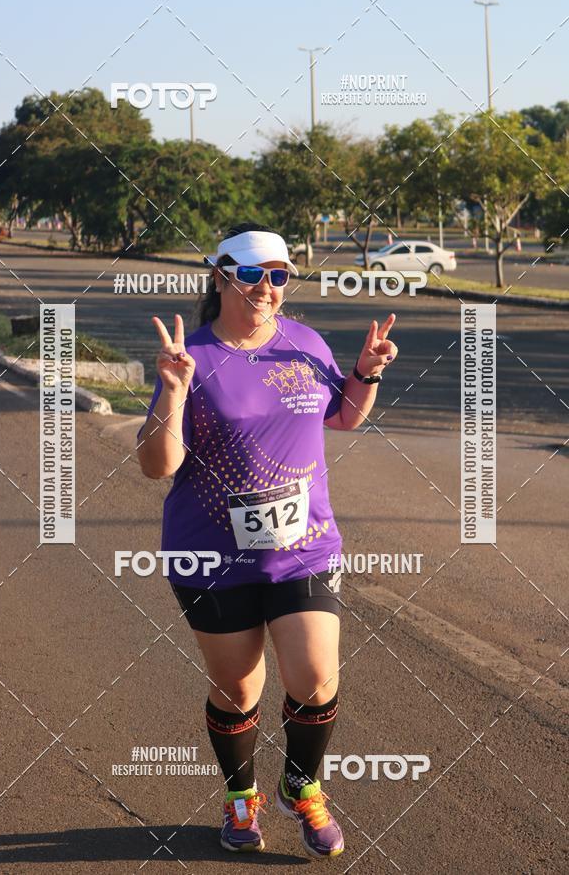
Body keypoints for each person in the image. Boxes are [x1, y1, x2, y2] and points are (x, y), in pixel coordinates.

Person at [137, 223, 398, 858]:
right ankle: (239, 796)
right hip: (212, 556)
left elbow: (341, 416)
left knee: (314, 680)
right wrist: (172, 392)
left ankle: (302, 786)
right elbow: (156, 466)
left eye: (279, 276)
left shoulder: (305, 342)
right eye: (253, 274)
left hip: (303, 546)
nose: (267, 288)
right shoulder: (192, 357)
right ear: (222, 275)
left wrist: (364, 372)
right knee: (240, 690)